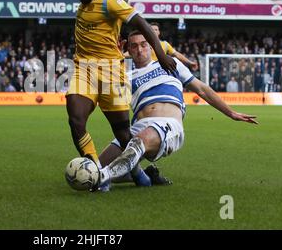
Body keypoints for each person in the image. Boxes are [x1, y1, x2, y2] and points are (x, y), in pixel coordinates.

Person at [97, 31, 257, 191]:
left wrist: (231, 113)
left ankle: (105, 178)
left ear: (151, 46)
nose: (139, 50)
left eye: (144, 44)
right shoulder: (125, 76)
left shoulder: (169, 63)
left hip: (167, 123)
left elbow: (201, 89)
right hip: (138, 126)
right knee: (95, 168)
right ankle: (141, 176)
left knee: (136, 144)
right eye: (134, 46)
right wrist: (114, 61)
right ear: (129, 51)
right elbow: (109, 100)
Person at [66, 0, 176, 178]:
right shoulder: (87, 1)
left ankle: (142, 176)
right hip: (84, 69)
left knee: (124, 134)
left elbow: (143, 24)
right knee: (76, 119)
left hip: (111, 73)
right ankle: (95, 172)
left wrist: (161, 54)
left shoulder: (110, 2)